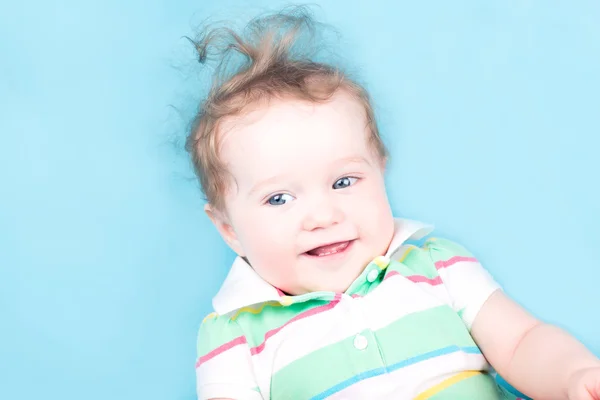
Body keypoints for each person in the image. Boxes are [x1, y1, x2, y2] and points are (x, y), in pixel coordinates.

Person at [186, 6, 600, 400]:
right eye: (279, 198)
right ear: (228, 229)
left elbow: (521, 342)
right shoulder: (235, 336)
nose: (324, 215)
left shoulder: (437, 268)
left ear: (379, 173)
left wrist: (574, 375)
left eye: (344, 181)